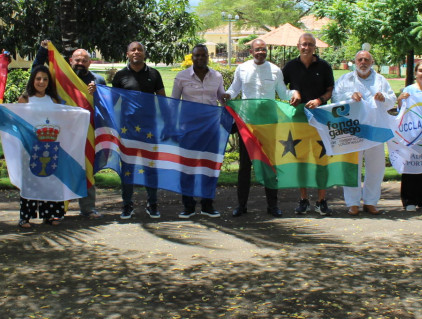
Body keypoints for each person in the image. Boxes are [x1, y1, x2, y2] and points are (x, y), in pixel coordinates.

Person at [32, 41, 105, 218]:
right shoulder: (59, 76)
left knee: (86, 168)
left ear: (89, 63)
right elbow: (36, 71)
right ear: (70, 60)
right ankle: (58, 209)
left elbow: (106, 104)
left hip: (86, 132)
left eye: (84, 60)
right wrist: (42, 50)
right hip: (62, 131)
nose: (80, 63)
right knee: (60, 166)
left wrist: (99, 92)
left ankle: (88, 208)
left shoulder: (98, 80)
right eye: (77, 60)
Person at [222, 38, 289, 217]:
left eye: (263, 49)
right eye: (257, 49)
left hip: (268, 125)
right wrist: (226, 95)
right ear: (251, 52)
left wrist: (295, 94)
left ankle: (272, 206)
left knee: (270, 166)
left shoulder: (275, 70)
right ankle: (241, 205)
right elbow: (234, 89)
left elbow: (283, 93)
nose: (261, 52)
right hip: (247, 125)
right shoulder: (242, 69)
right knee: (244, 166)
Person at [332, 50, 396, 216]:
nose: (363, 62)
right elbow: (335, 98)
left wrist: (384, 98)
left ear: (372, 62)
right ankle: (353, 203)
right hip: (352, 129)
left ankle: (370, 202)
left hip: (375, 129)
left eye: (366, 59)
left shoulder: (380, 80)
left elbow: (392, 101)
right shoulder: (345, 79)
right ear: (355, 62)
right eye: (360, 59)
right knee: (352, 167)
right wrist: (349, 96)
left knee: (376, 167)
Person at [282, 33, 334, 216]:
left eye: (310, 45)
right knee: (301, 161)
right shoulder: (290, 66)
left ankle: (321, 200)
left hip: (320, 119)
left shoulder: (324, 66)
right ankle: (303, 199)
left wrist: (320, 100)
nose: (307, 47)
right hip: (298, 120)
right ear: (298, 46)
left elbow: (330, 90)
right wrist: (292, 92)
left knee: (322, 160)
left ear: (315, 47)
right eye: (304, 44)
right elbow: (281, 87)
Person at [112, 41, 166, 219]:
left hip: (150, 129)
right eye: (133, 50)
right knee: (127, 168)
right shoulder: (120, 76)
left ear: (144, 53)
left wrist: (167, 123)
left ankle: (153, 204)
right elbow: (111, 102)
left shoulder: (154, 74)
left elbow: (163, 101)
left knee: (151, 167)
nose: (136, 52)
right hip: (128, 130)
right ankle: (127, 205)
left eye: (139, 50)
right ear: (127, 54)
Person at [172, 44, 225, 218]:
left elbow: (221, 98)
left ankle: (207, 205)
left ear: (208, 57)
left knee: (209, 167)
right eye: (197, 56)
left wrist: (226, 99)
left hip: (211, 129)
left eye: (203, 55)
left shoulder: (217, 76)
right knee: (187, 167)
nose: (200, 58)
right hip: (189, 130)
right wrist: (174, 127)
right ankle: (188, 206)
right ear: (192, 57)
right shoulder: (181, 77)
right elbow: (173, 103)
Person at [15, 65, 69, 226]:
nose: (41, 82)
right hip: (30, 146)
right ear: (33, 80)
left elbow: (61, 119)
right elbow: (17, 120)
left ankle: (51, 214)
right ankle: (25, 216)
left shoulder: (53, 100)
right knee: (30, 180)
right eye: (38, 78)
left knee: (51, 179)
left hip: (50, 146)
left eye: (45, 79)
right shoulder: (25, 99)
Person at [396, 61, 422, 212]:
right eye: (421, 70)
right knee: (411, 167)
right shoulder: (409, 90)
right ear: (415, 73)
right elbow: (401, 112)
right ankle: (409, 201)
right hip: (412, 134)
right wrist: (400, 100)